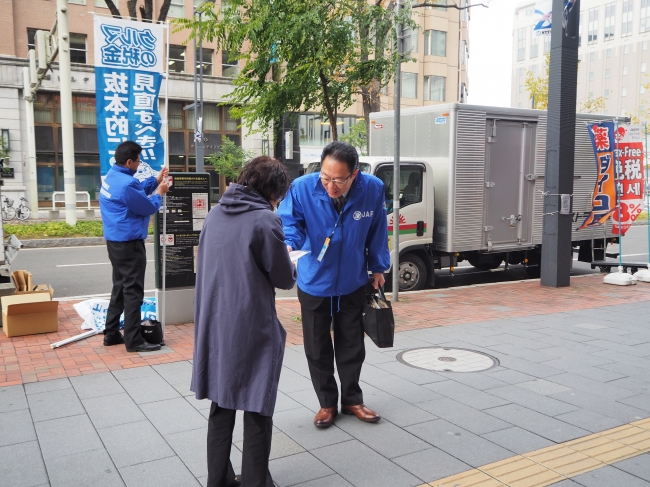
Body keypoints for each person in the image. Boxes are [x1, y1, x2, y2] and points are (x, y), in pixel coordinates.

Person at [192, 156, 296, 487]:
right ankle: (255, 481)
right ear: (274, 191)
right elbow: (283, 277)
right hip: (252, 324)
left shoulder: (215, 213)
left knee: (221, 405)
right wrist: (292, 260)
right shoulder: (265, 220)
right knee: (257, 406)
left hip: (215, 322)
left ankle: (218, 480)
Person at [278, 141, 390, 428]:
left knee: (352, 344)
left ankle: (352, 399)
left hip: (352, 280)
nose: (331, 185)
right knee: (317, 348)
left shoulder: (373, 188)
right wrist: (288, 245)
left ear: (355, 174)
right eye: (326, 178)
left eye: (338, 179)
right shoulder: (302, 187)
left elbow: (378, 229)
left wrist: (378, 266)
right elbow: (290, 224)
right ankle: (327, 403)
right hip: (315, 280)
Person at [99, 140, 169, 353]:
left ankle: (111, 333)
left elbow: (135, 192)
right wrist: (160, 192)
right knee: (133, 292)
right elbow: (145, 206)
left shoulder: (113, 176)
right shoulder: (126, 184)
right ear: (129, 161)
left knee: (120, 286)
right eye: (138, 161)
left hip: (114, 242)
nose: (140, 164)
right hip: (129, 244)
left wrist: (155, 180)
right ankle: (134, 340)